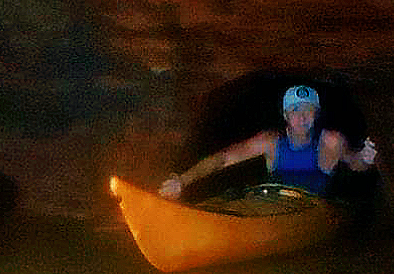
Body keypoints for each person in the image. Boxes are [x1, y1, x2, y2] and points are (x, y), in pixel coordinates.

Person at [160, 85, 377, 199]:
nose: (302, 117)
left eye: (308, 110)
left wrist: (365, 159)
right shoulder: (270, 142)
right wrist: (183, 180)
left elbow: (355, 163)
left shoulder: (331, 141)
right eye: (295, 110)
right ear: (285, 115)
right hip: (271, 204)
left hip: (314, 208)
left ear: (316, 113)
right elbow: (222, 159)